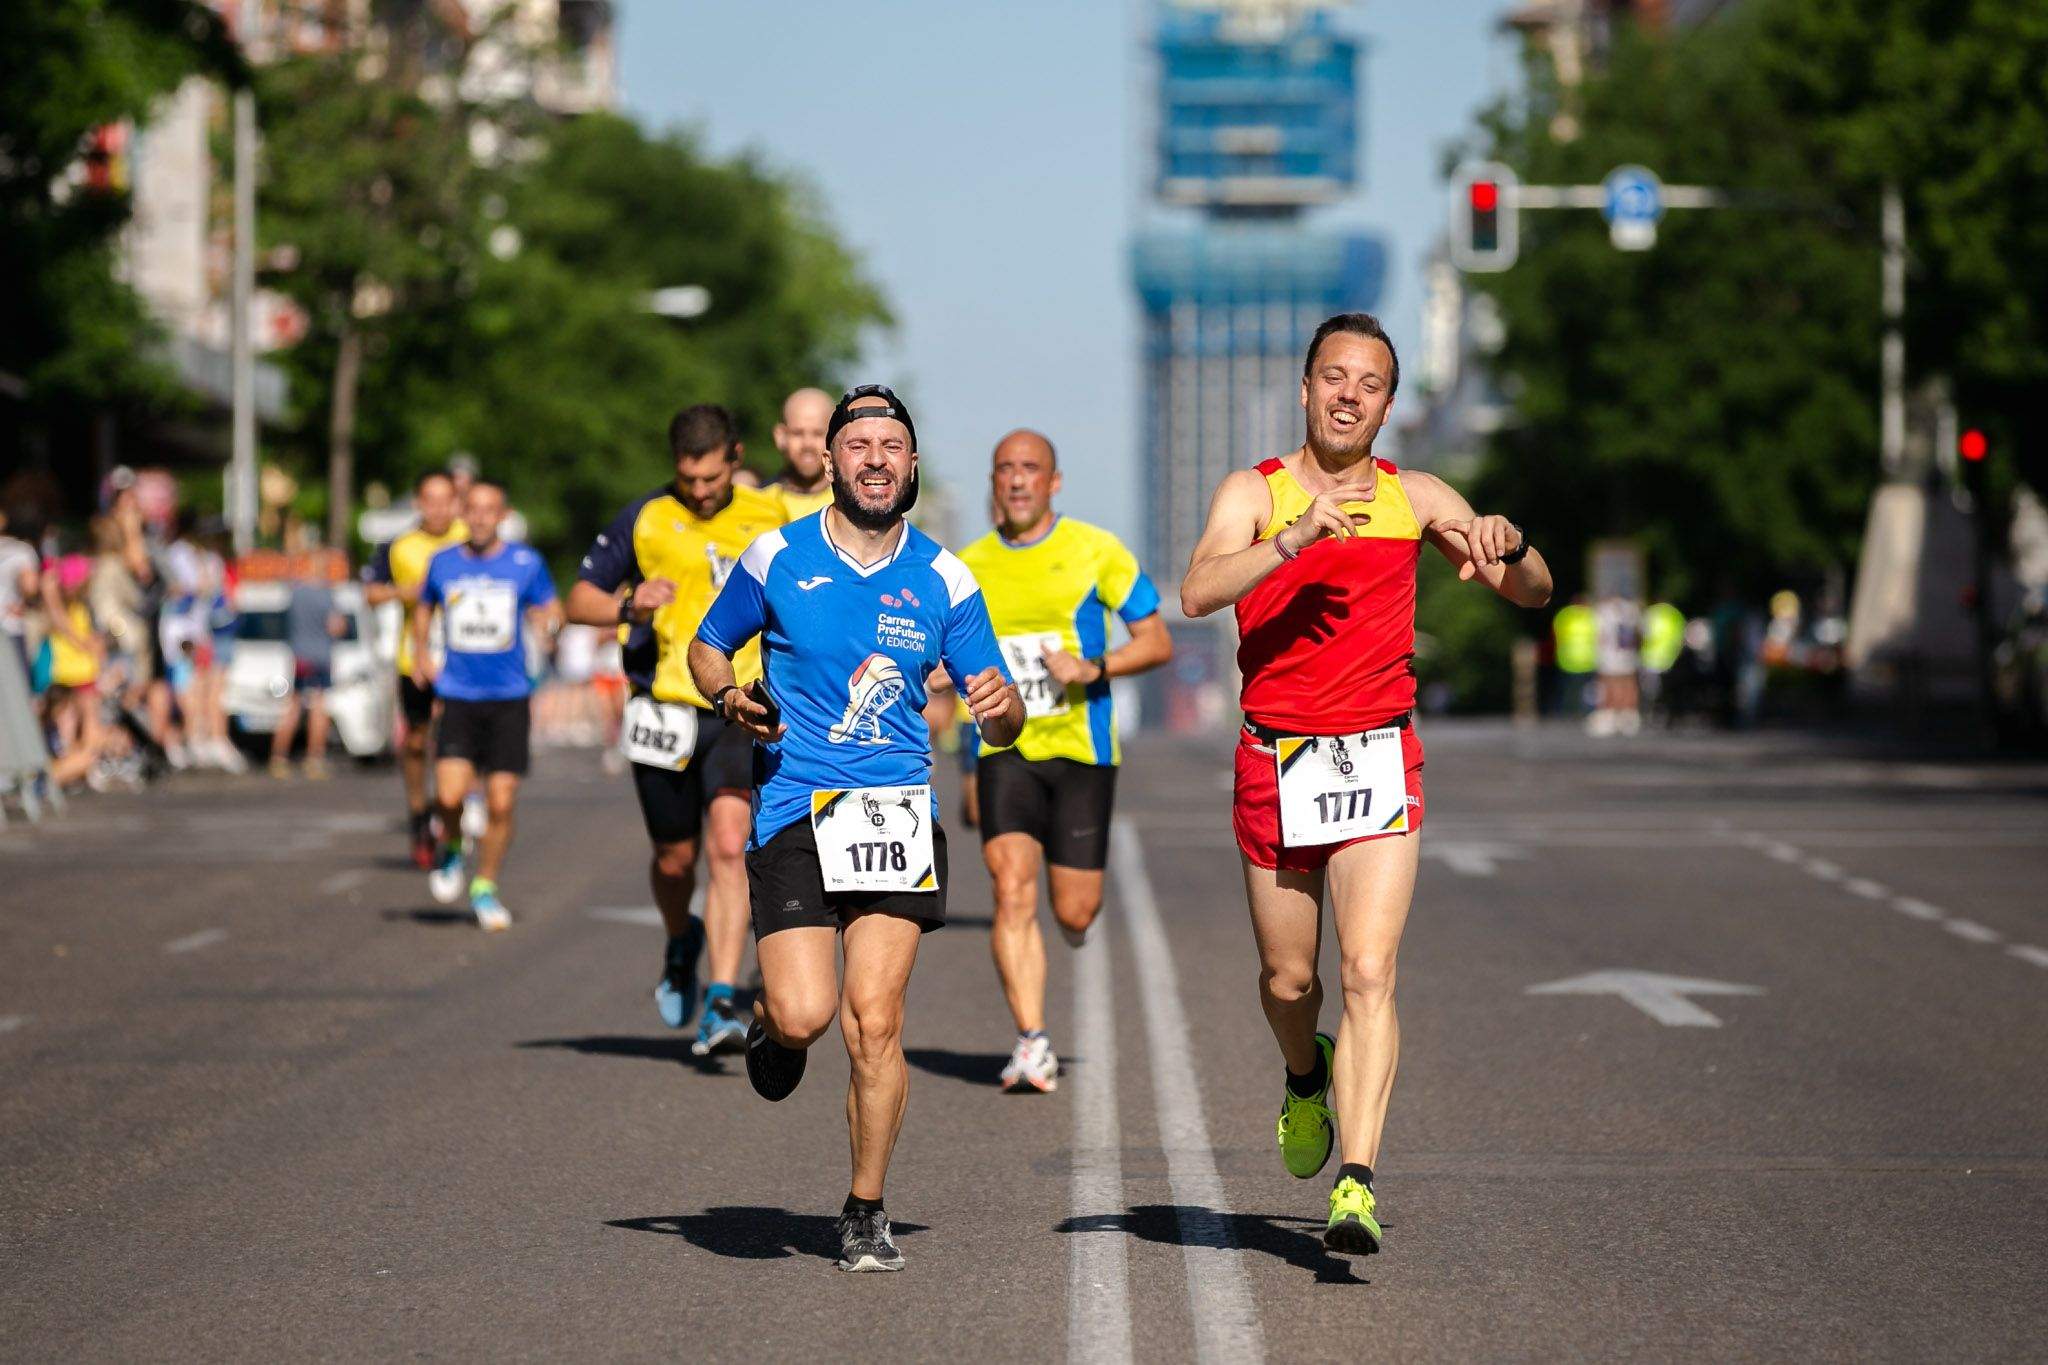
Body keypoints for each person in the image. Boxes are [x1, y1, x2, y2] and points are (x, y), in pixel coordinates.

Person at [1180, 313, 1552, 1257]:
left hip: (1377, 758)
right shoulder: (1254, 492)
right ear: (1305, 390)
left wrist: (1508, 543)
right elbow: (1197, 590)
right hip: (1275, 758)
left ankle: (1357, 1180)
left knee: (1370, 969)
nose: (1350, 394)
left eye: (1371, 382)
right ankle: (1306, 1075)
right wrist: (1294, 538)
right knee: (1289, 977)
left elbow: (1535, 590)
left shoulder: (1415, 495)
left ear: (1389, 401)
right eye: (1334, 377)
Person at [688, 384, 1023, 1274]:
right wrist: (727, 695)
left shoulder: (945, 578)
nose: (875, 458)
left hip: (894, 813)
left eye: (892, 445)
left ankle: (865, 1207)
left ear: (912, 465)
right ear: (831, 461)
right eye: (858, 444)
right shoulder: (776, 556)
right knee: (807, 1013)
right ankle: (769, 1019)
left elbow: (1002, 714)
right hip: (795, 806)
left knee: (873, 1021)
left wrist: (1002, 709)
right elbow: (706, 643)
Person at [956, 429, 1174, 1092]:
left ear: (1054, 482)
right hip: (1003, 747)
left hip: (1082, 749)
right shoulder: (963, 565)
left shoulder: (1095, 550)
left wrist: (1093, 665)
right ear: (993, 482)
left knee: (1074, 910)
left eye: (1031, 469)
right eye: (1005, 469)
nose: (1018, 480)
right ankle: (1031, 1039)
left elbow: (1158, 639)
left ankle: (1072, 926)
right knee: (1009, 887)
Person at [565, 404, 788, 1049]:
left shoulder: (770, 519)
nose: (700, 492)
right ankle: (679, 938)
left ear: (736, 459)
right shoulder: (646, 517)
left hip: (739, 706)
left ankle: (721, 998)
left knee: (727, 843)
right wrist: (628, 602)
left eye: (712, 479)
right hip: (661, 708)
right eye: (689, 480)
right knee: (673, 857)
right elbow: (578, 600)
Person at [412, 481, 561, 931]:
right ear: (462, 513)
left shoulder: (525, 563)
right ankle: (453, 845)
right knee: (449, 796)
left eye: (488, 510)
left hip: (509, 698)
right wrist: (421, 652)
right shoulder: (443, 563)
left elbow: (550, 606)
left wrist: (549, 622)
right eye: (472, 510)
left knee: (500, 803)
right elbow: (424, 607)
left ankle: (485, 886)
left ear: (502, 515)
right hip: (458, 695)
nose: (479, 518)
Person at [364, 471, 467, 867]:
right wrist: (403, 592)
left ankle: (452, 808)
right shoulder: (400, 545)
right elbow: (371, 592)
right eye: (431, 500)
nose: (439, 508)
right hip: (415, 659)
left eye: (446, 500)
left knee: (455, 741)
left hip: (463, 657)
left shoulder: (467, 538)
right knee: (417, 741)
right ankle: (419, 814)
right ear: (418, 503)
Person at [269, 566, 344, 779]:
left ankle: (278, 758)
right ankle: (314, 760)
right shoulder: (326, 594)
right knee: (319, 708)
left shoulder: (296, 593)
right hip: (321, 656)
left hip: (299, 657)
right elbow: (335, 625)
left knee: (292, 707)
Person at [768, 387, 835, 519]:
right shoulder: (757, 505)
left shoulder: (850, 507)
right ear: (780, 436)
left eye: (818, 433)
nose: (807, 444)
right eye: (797, 433)